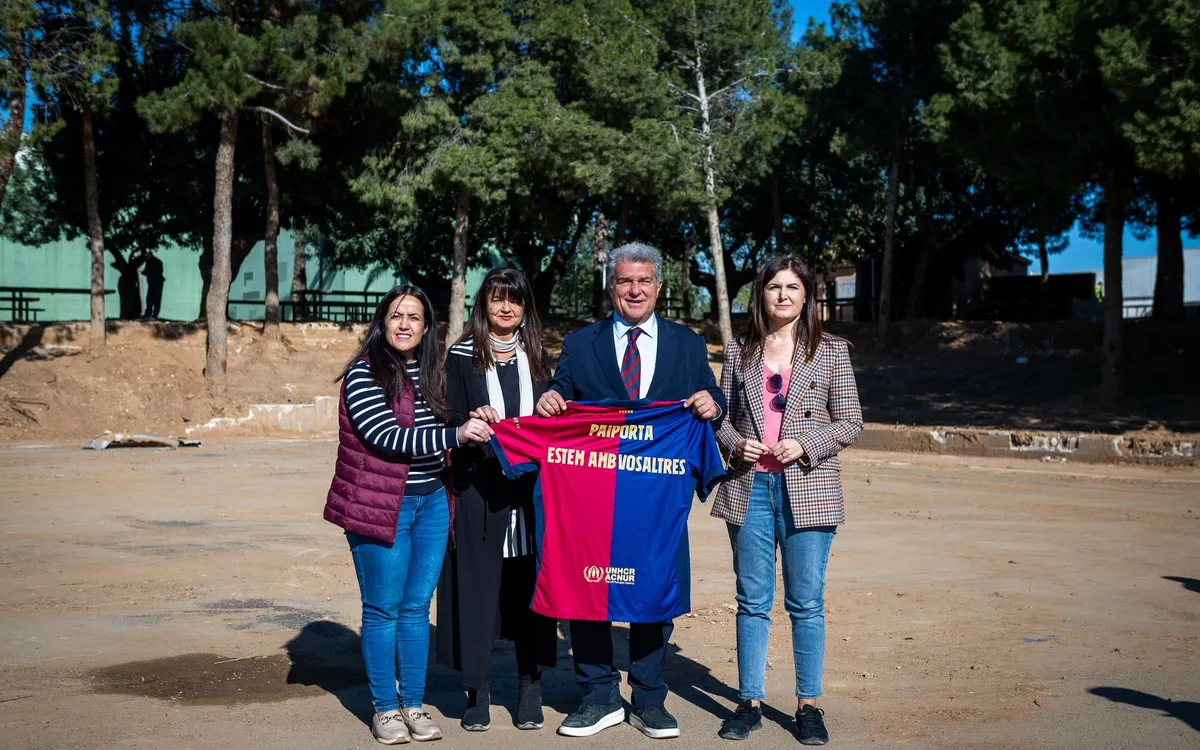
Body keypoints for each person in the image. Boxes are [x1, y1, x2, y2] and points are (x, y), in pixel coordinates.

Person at [535, 241, 726, 740]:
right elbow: (561, 394)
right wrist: (552, 398)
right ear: (611, 286)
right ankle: (598, 696)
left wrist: (714, 403)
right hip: (591, 501)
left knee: (653, 593)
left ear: (659, 287)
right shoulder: (581, 343)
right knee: (587, 589)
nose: (634, 289)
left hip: (655, 504)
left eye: (643, 281)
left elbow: (713, 394)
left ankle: (648, 699)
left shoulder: (686, 344)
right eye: (624, 281)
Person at [323, 284, 494, 745]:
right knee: (383, 609)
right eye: (396, 315)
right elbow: (385, 436)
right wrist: (456, 436)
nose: (404, 324)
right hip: (381, 506)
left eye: (414, 317)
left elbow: (449, 418)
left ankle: (413, 704)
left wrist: (471, 416)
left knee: (417, 609)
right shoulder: (363, 373)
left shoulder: (434, 372)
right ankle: (385, 710)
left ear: (426, 326)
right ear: (382, 322)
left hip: (433, 503)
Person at [710, 256, 863, 746]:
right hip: (749, 488)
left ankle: (807, 705)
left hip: (810, 489)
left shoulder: (832, 351)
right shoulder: (738, 350)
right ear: (760, 295)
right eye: (773, 287)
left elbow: (851, 421)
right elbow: (719, 417)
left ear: (807, 296)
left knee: (806, 602)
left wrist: (806, 444)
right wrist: (735, 443)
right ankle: (748, 701)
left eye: (792, 287)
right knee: (751, 600)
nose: (782, 295)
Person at [436, 268, 559, 732]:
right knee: (479, 591)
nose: (506, 308)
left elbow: (556, 412)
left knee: (531, 589)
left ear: (526, 307)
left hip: (531, 494)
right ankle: (478, 690)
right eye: (497, 299)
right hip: (479, 489)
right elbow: (445, 413)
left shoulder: (538, 358)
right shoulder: (462, 357)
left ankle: (531, 685)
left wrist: (554, 405)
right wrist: (470, 418)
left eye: (515, 300)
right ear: (483, 304)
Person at [140, 251, 165, 318]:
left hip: (157, 282)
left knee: (155, 298)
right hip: (153, 282)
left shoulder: (157, 262)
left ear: (150, 255)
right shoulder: (151, 261)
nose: (146, 257)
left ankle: (154, 314)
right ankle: (150, 313)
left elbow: (152, 272)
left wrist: (144, 272)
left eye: (147, 256)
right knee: (150, 299)